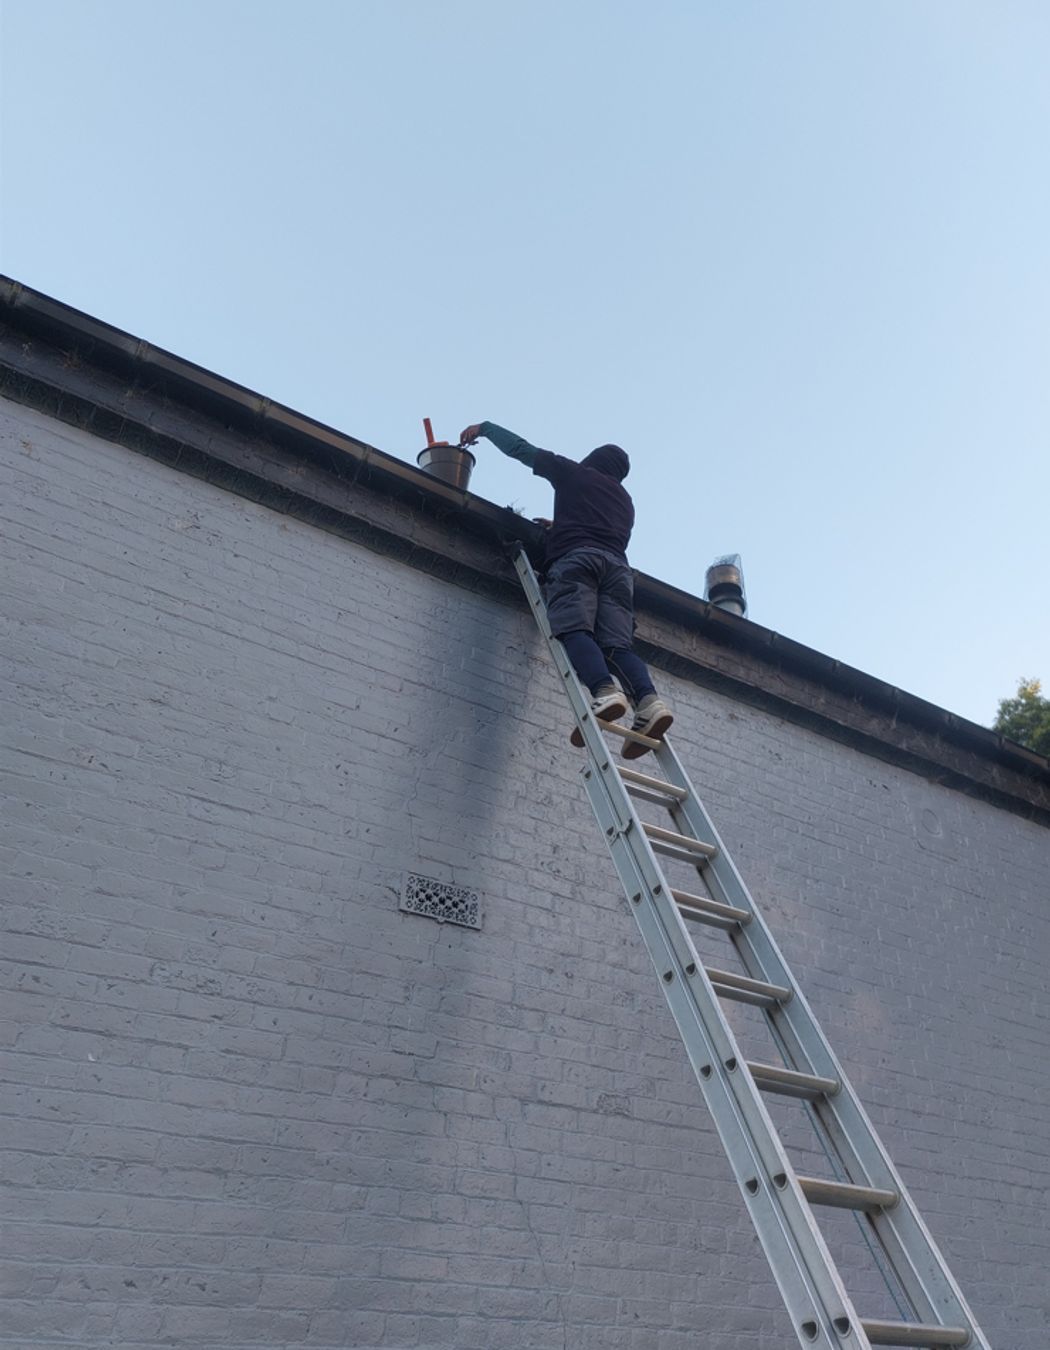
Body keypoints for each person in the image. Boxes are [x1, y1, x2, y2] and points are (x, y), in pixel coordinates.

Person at [459, 421, 673, 756]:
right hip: (618, 572)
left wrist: (485, 428)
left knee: (575, 629)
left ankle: (605, 691)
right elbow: (599, 527)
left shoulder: (574, 474)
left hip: (578, 562)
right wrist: (561, 526)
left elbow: (522, 450)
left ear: (594, 459)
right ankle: (648, 703)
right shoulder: (625, 501)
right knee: (617, 646)